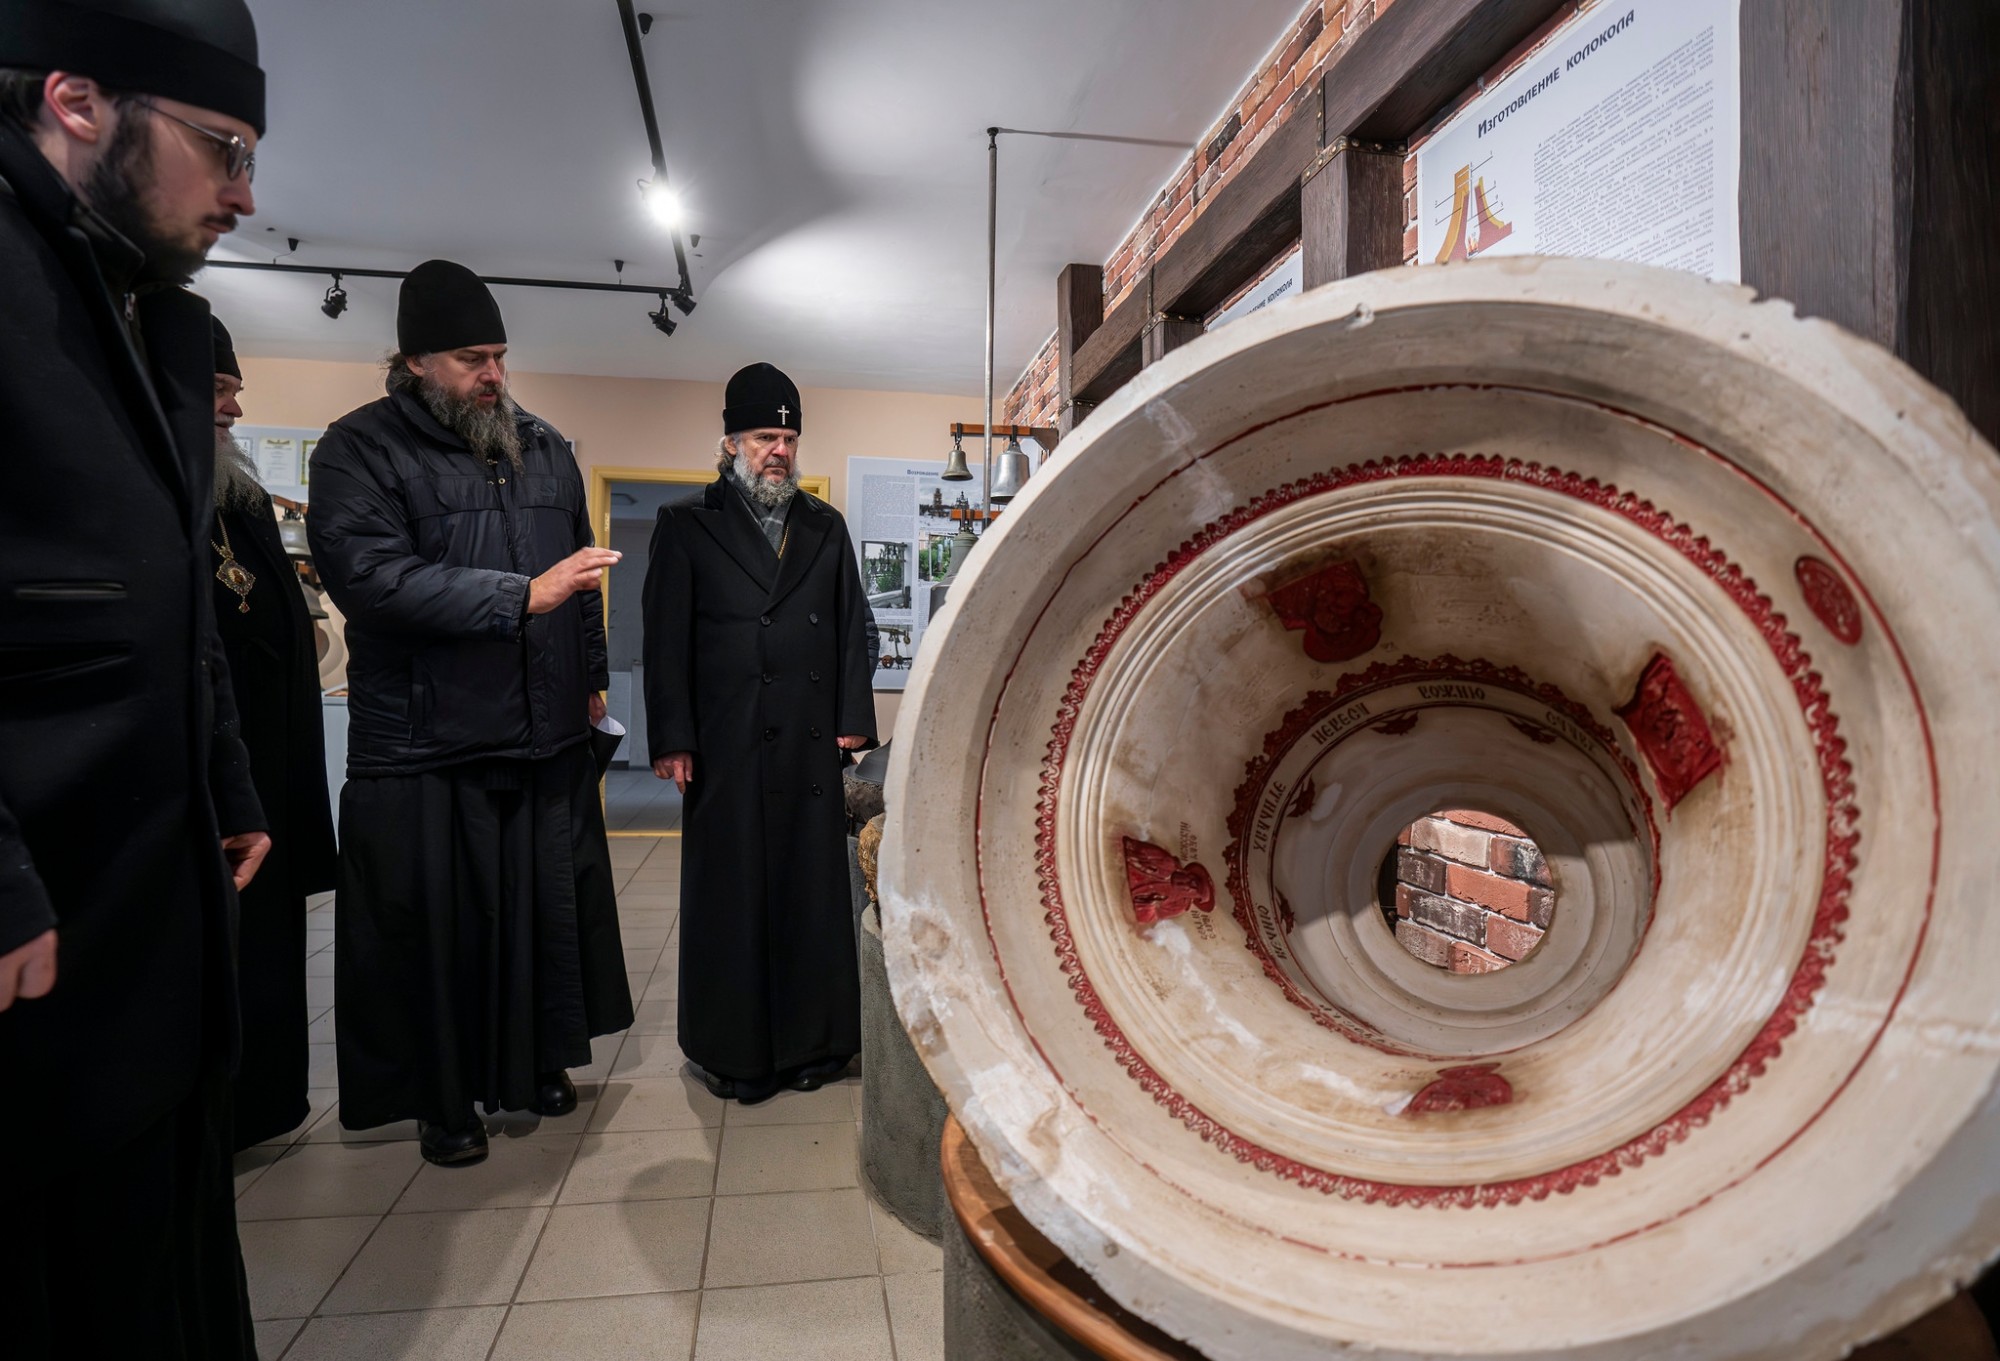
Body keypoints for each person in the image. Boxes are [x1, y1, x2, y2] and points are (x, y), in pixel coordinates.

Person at [0, 2, 271, 1355]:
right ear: (78, 99)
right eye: (223, 145)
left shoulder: (129, 307)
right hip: (40, 930)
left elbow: (154, 592)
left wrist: (224, 775)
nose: (244, 192)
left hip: (143, 914)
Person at [307, 260, 633, 1167]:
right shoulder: (358, 449)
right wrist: (517, 597)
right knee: (440, 938)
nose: (493, 374)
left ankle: (535, 1065)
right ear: (414, 360)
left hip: (542, 731)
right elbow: (371, 580)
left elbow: (581, 578)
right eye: (470, 358)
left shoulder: (542, 445)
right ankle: (443, 1101)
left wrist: (591, 677)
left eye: (498, 355)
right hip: (428, 741)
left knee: (539, 918)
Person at [641, 362, 877, 1105]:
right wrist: (672, 736)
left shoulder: (825, 526)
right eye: (763, 438)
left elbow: (852, 628)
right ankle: (734, 1052)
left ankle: (816, 1044)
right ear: (731, 443)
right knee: (732, 896)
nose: (779, 451)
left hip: (808, 744)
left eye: (789, 438)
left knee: (810, 893)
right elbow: (665, 641)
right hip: (727, 743)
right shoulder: (686, 524)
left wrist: (852, 720)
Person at [210, 315, 339, 1149]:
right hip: (205, 780)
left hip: (267, 769)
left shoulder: (245, 503)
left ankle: (261, 1109)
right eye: (217, 390)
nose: (234, 405)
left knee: (265, 948)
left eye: (233, 389)